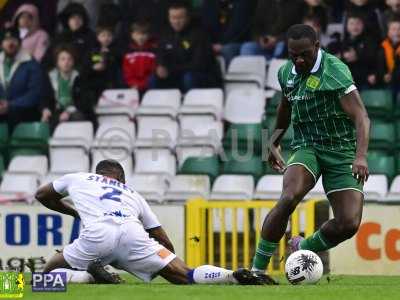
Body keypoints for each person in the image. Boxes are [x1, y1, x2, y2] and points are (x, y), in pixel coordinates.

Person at [34, 159, 277, 285]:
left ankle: (86, 277)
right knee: (187, 275)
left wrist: (74, 213)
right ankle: (231, 276)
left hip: (96, 234)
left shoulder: (79, 178)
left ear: (97, 173)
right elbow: (163, 240)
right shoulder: (132, 194)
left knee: (47, 274)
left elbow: (42, 195)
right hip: (133, 234)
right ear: (122, 179)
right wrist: (160, 262)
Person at [251, 24, 370, 276]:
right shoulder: (286, 73)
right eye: (293, 55)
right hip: (307, 146)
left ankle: (302, 246)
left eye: (305, 53)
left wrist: (360, 155)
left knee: (349, 223)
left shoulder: (335, 70)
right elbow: (284, 108)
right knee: (288, 197)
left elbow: (361, 116)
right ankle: (257, 271)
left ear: (317, 46)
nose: (299, 59)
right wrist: (272, 141)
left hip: (342, 151)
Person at [152, 1, 221, 92]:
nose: (176, 21)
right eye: (173, 18)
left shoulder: (200, 34)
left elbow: (198, 65)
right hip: (176, 75)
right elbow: (160, 55)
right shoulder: (166, 34)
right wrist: (160, 66)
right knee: (153, 79)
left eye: (180, 18)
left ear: (188, 17)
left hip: (202, 76)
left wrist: (170, 69)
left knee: (189, 77)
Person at [0, 27, 42, 131]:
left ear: (19, 42)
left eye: (14, 40)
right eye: (6, 40)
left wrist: (10, 105)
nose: (10, 43)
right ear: (1, 43)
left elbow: (34, 94)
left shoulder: (31, 63)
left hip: (23, 114)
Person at [41, 45, 90, 131]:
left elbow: (84, 102)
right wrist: (45, 109)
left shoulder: (80, 78)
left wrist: (68, 111)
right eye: (62, 59)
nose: (66, 62)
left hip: (75, 111)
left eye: (69, 59)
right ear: (57, 62)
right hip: (56, 111)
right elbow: (45, 97)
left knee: (77, 117)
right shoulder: (50, 77)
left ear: (73, 61)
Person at [327, 13, 379, 89]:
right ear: (346, 26)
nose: (355, 27)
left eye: (358, 23)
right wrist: (343, 56)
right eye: (351, 23)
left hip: (365, 80)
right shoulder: (341, 42)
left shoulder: (370, 41)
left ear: (363, 25)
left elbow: (374, 59)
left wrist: (358, 55)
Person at [123, 21, 157, 94]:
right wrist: (133, 84)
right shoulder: (128, 53)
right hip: (133, 86)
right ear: (132, 35)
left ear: (148, 35)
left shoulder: (153, 52)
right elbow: (127, 72)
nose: (140, 37)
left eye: (143, 34)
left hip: (149, 86)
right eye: (137, 34)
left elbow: (153, 71)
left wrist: (143, 84)